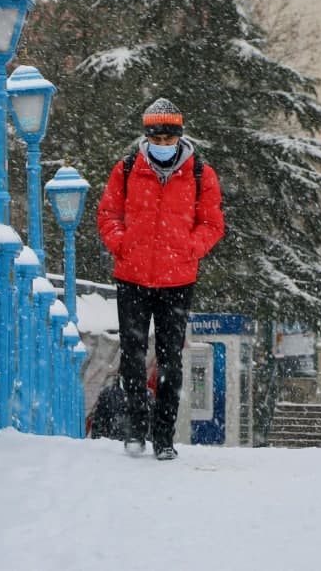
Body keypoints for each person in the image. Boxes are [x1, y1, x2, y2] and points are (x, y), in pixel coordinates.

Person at [97, 98, 224, 461]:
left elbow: (212, 224)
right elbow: (107, 214)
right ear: (147, 136)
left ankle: (163, 437)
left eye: (170, 138)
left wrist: (190, 248)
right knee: (133, 357)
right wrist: (121, 244)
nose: (164, 144)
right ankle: (135, 429)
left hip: (177, 280)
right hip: (132, 277)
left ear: (180, 137)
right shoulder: (125, 170)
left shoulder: (201, 174)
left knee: (170, 362)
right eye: (157, 137)